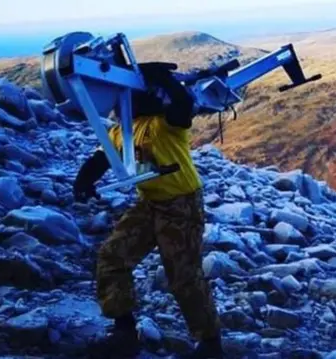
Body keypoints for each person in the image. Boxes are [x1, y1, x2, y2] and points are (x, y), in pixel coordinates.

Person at [72, 62, 223, 359]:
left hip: (182, 203)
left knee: (183, 276)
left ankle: (210, 344)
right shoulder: (123, 131)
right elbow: (101, 159)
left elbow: (182, 105)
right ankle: (124, 331)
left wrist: (164, 80)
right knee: (112, 257)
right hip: (150, 203)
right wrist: (84, 180)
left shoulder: (165, 123)